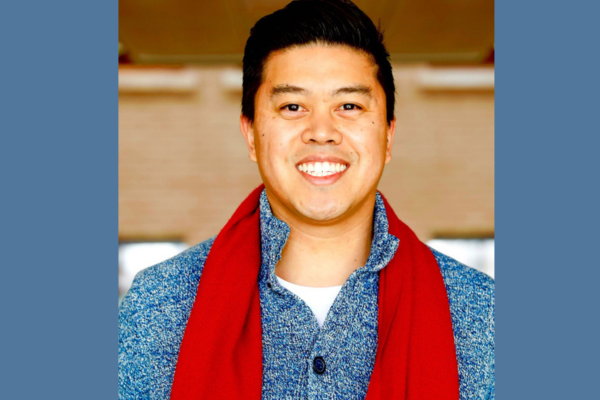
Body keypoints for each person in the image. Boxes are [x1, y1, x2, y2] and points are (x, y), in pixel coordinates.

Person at [118, 1, 494, 399]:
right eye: (293, 106)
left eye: (348, 106)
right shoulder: (160, 307)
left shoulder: (481, 315)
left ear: (388, 135)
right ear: (250, 134)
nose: (321, 131)